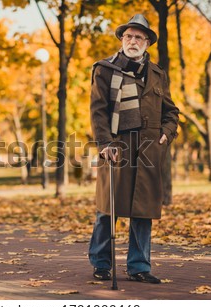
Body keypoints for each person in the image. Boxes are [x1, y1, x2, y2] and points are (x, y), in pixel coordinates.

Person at [88, 14, 179, 284]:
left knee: (143, 210)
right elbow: (98, 111)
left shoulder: (158, 74)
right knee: (108, 208)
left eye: (138, 37)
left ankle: (139, 266)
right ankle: (101, 263)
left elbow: (171, 112)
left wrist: (166, 134)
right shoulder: (105, 69)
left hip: (150, 149)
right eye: (128, 36)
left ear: (148, 42)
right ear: (122, 39)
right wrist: (104, 143)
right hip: (116, 146)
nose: (132, 41)